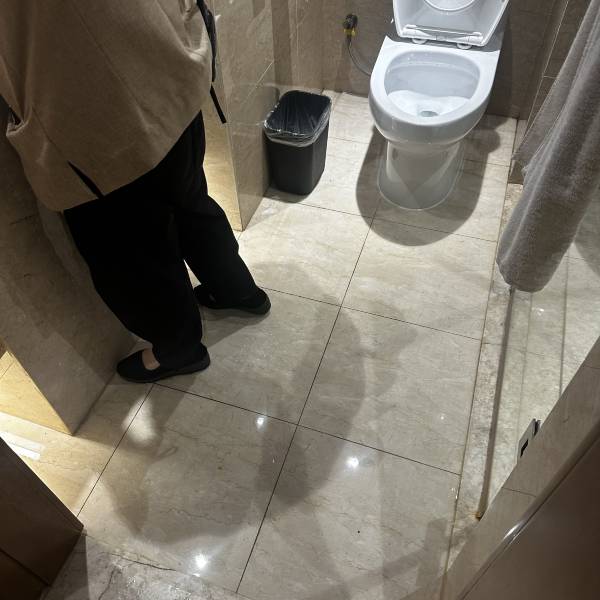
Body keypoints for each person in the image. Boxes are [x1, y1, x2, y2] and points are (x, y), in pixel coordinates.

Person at [0, 1, 269, 383]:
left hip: (87, 119)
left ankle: (178, 348)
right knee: (189, 200)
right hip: (165, 62)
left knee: (131, 255)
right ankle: (236, 289)